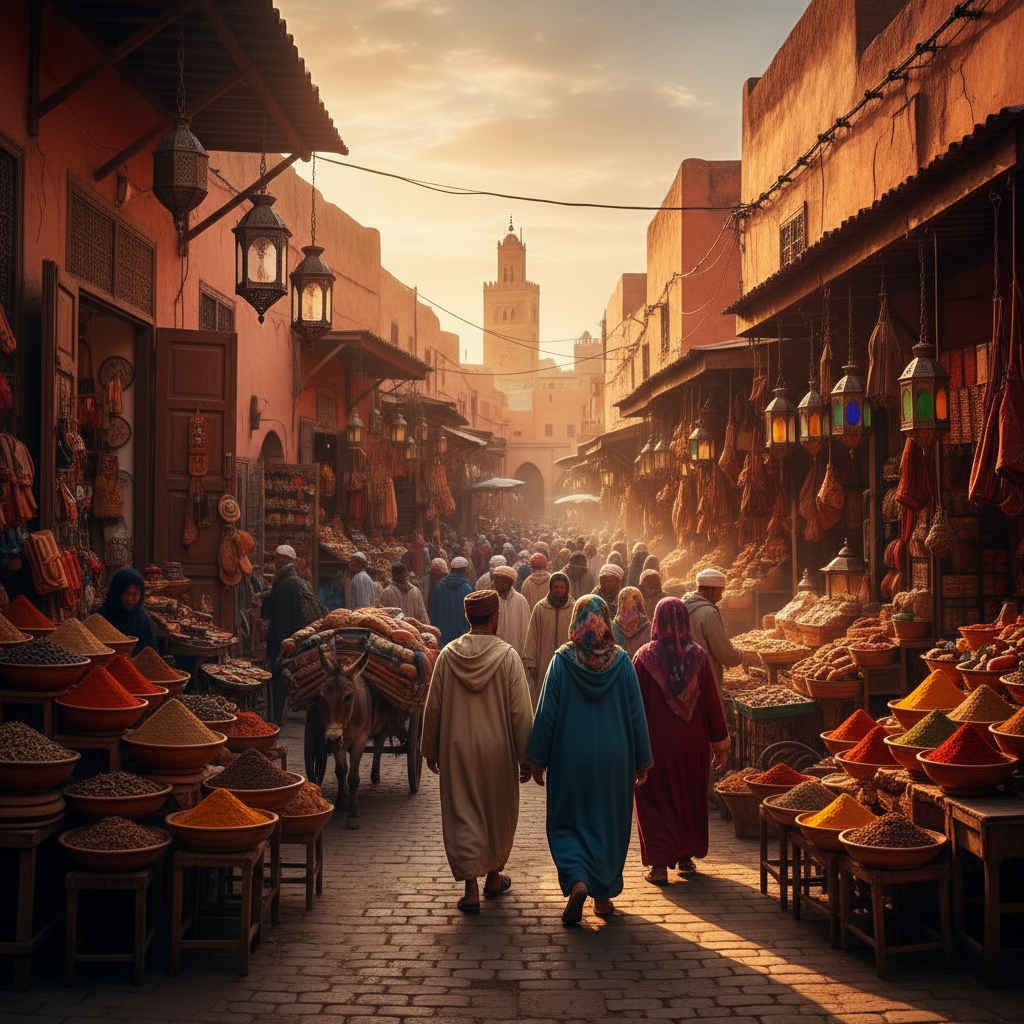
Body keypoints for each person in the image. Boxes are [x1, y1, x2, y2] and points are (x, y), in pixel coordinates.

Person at [526, 596, 652, 925]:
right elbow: (637, 715)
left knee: (568, 820)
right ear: (606, 621)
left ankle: (577, 878)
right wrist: (643, 759)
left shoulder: (561, 660)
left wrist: (537, 757)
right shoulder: (622, 662)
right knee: (608, 823)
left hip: (570, 756)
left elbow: (547, 713)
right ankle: (603, 896)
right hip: (615, 757)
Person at [421, 589, 535, 914]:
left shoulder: (448, 655)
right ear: (495, 617)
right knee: (496, 810)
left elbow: (434, 707)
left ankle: (472, 889)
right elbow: (520, 713)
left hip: (457, 748)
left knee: (464, 812)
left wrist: (430, 748)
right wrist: (526, 756)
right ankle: (494, 875)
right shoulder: (508, 656)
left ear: (467, 617)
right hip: (499, 750)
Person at [633, 598, 730, 881]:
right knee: (688, 794)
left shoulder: (643, 658)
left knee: (656, 797)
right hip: (691, 741)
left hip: (655, 742)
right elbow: (712, 703)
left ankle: (660, 865)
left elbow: (633, 705)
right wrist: (719, 743)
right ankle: (686, 856)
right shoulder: (698, 657)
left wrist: (631, 745)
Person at [261, 545, 326, 724]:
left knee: (278, 678)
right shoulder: (291, 580)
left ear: (284, 560)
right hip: (289, 636)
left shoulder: (285, 583)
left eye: (277, 558)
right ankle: (278, 716)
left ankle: (276, 718)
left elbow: (276, 613)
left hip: (282, 637)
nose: (274, 561)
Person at [683, 568, 743, 698]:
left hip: (685, 673)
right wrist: (741, 656)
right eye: (720, 591)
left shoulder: (683, 605)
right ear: (710, 590)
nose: (721, 596)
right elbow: (722, 651)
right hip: (704, 674)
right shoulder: (709, 613)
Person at [522, 571, 573, 708]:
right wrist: (531, 662)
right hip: (543, 662)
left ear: (567, 588)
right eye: (556, 587)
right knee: (544, 699)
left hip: (567, 662)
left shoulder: (573, 608)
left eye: (562, 587)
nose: (559, 590)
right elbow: (532, 634)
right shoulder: (540, 608)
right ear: (550, 588)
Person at [96, 567, 159, 655]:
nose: (131, 599)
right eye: (128, 593)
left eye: (135, 594)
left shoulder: (142, 618)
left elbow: (151, 653)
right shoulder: (102, 616)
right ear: (118, 593)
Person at [429, 556, 474, 647]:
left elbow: (433, 610)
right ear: (464, 570)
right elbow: (471, 614)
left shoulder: (439, 585)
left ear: (452, 569)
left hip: (442, 633)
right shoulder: (467, 587)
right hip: (461, 635)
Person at [493, 565, 530, 655]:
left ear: (510, 583)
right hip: (495, 652)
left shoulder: (521, 601)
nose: (498, 585)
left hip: (515, 652)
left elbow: (526, 631)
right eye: (496, 582)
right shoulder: (492, 600)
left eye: (502, 582)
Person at [612, 586, 652, 658]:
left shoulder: (612, 628)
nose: (630, 607)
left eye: (634, 601)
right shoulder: (649, 628)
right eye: (626, 602)